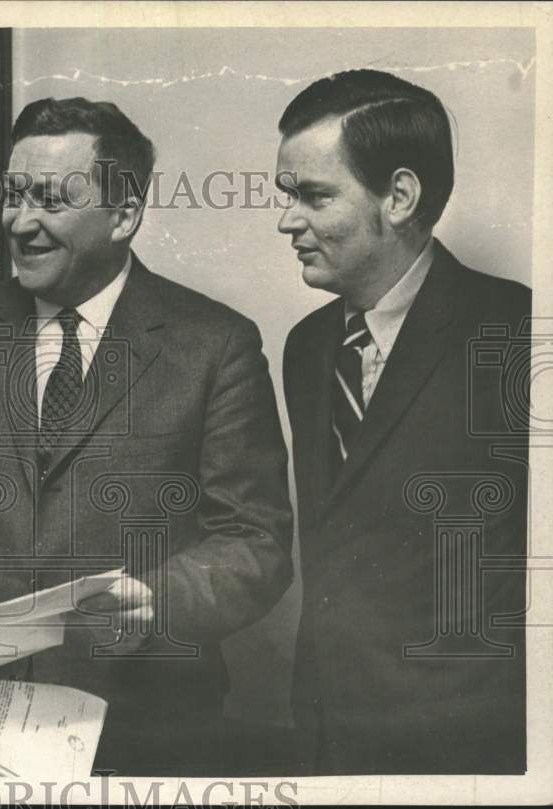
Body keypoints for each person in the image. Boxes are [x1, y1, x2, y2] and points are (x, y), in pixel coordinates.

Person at [0, 97, 293, 776]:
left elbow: (258, 544)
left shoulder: (215, 345)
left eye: (49, 200)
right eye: (12, 195)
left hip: (141, 740)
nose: (20, 222)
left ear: (124, 214)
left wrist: (158, 598)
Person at [276, 69, 529, 774]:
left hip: (469, 756)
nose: (286, 220)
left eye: (314, 196)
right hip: (325, 745)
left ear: (400, 197)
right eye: (287, 195)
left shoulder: (519, 336)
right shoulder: (306, 348)